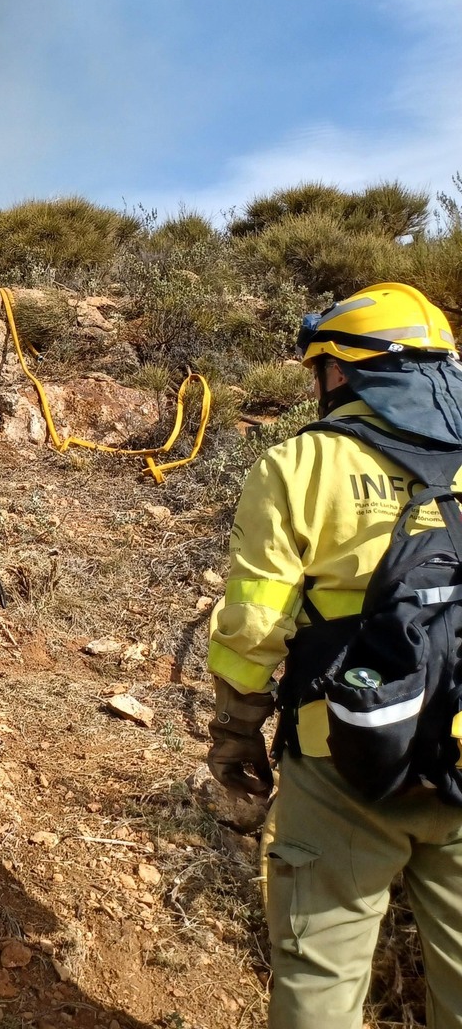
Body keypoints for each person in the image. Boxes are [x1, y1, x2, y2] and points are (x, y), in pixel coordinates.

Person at [206, 281, 462, 1028]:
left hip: (344, 753)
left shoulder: (301, 465)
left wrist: (236, 729)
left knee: (320, 979)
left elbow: (254, 625)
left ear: (342, 370)